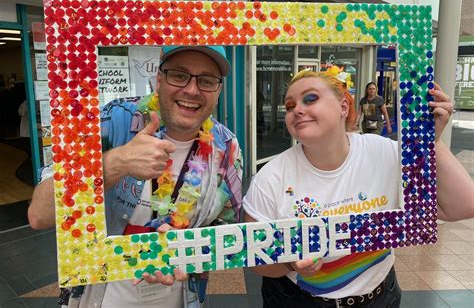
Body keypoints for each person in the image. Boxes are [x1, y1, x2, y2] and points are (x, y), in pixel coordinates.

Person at [28, 46, 243, 307]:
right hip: (98, 296)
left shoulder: (226, 148)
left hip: (183, 297)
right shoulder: (111, 122)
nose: (192, 90)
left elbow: (229, 231)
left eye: (207, 81)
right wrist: (116, 163)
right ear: (159, 80)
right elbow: (39, 214)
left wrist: (190, 252)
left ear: (218, 91)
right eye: (179, 75)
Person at [243, 69, 474, 308]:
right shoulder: (271, 177)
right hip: (297, 300)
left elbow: (462, 206)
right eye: (290, 106)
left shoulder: (383, 153)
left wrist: (429, 141)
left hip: (379, 298)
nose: (297, 110)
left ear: (344, 107)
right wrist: (290, 264)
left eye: (310, 99)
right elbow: (256, 261)